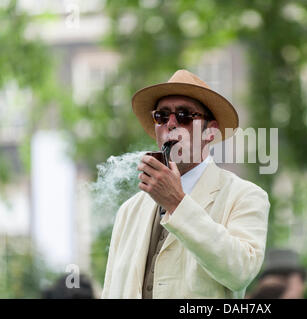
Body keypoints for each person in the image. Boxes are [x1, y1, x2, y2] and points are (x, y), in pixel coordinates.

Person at [101, 70, 270, 299]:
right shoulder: (129, 211)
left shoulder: (245, 196)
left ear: (210, 131)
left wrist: (176, 202)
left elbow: (240, 272)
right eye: (161, 116)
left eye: (184, 115)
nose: (171, 124)